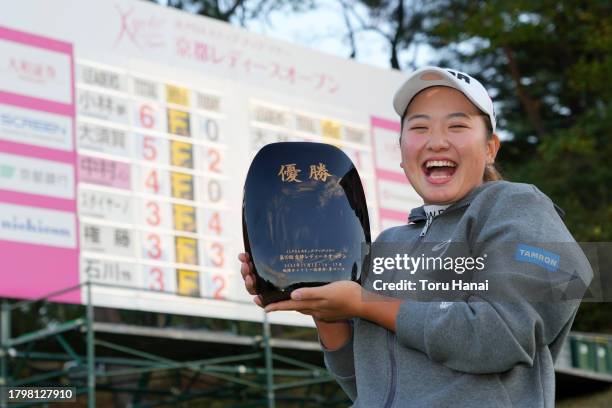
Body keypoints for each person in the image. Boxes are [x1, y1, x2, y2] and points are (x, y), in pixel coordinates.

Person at [238, 66, 593, 407]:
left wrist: (365, 304)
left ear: (490, 148)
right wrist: (324, 309)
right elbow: (363, 384)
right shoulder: (388, 244)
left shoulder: (518, 207)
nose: (437, 142)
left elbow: (500, 335)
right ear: (402, 150)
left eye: (457, 126)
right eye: (419, 128)